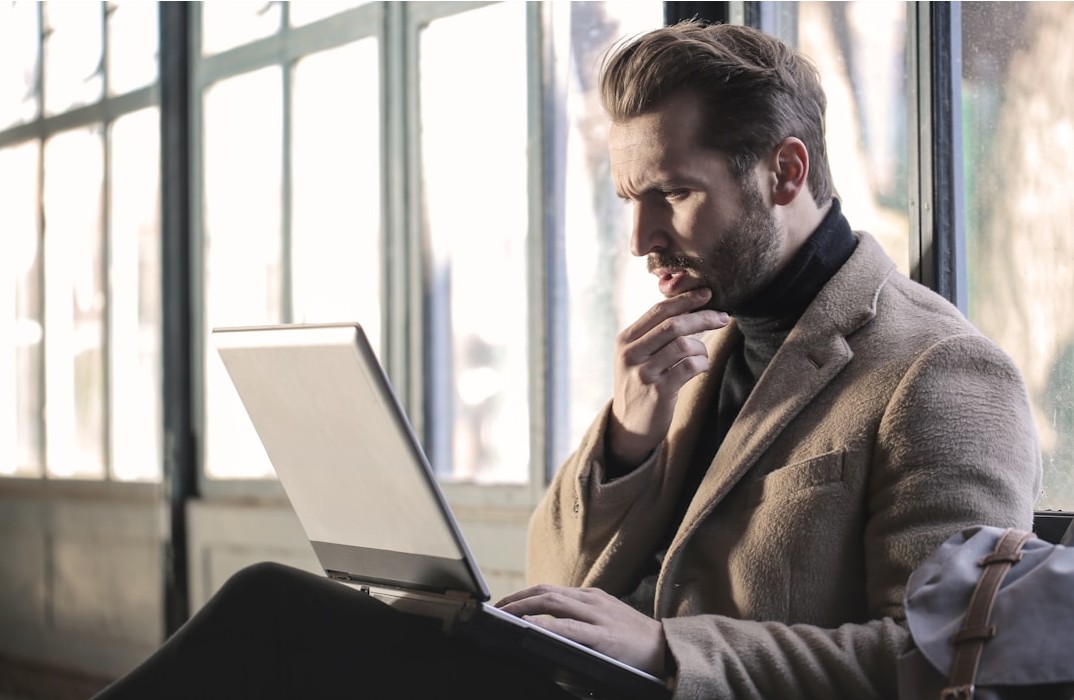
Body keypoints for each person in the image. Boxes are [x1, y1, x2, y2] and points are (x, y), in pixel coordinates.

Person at [92, 20, 1040, 700]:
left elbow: (946, 665)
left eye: (671, 193)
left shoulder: (942, 371)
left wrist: (673, 650)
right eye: (630, 196)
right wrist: (629, 437)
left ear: (785, 174)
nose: (639, 240)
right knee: (280, 621)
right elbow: (551, 574)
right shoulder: (698, 340)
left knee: (276, 623)